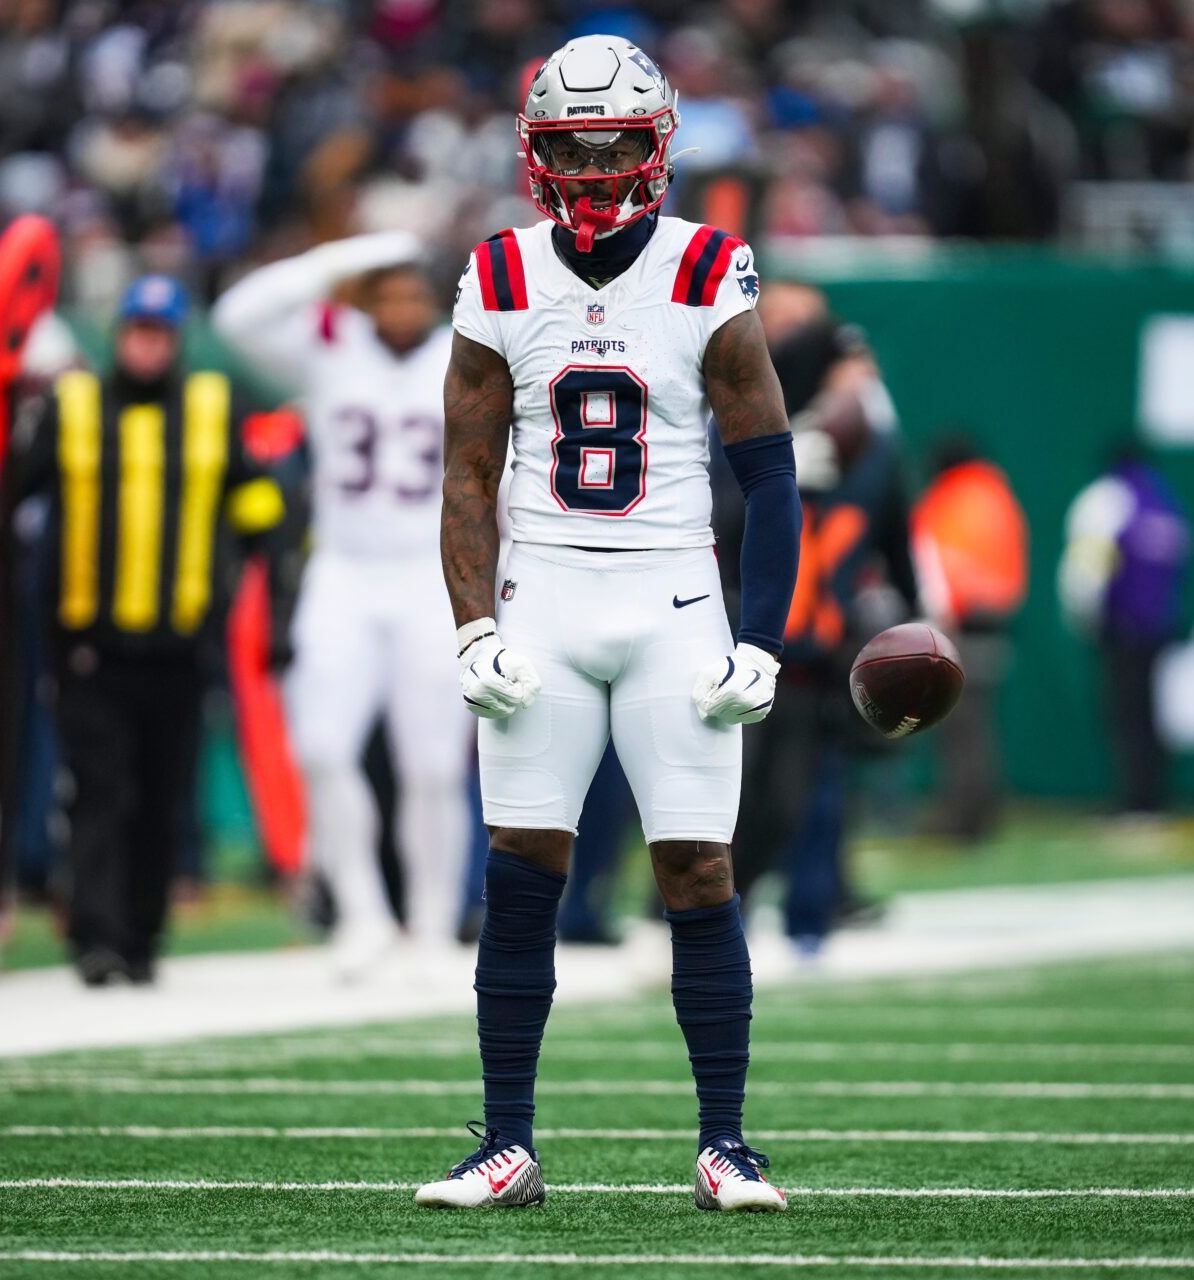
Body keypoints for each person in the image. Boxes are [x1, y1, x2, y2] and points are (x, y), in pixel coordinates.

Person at [416, 35, 798, 1213]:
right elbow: (469, 474)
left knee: (695, 864)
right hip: (545, 594)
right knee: (521, 864)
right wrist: (473, 626)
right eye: (569, 146)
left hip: (673, 595)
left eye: (615, 142)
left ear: (658, 146)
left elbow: (774, 474)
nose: (591, 166)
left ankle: (726, 1143)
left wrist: (760, 636)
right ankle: (508, 1143)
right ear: (534, 153)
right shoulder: (500, 274)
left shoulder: (707, 270)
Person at [2, 274, 284, 987]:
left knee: (162, 798)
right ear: (119, 336)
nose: (148, 347)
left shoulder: (213, 410)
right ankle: (96, 937)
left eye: (160, 334)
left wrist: (261, 589)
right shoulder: (72, 408)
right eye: (138, 332)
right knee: (99, 792)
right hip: (91, 644)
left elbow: (258, 511)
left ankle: (143, 937)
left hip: (183, 645)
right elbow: (8, 499)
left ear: (177, 340)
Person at [212, 232, 468, 970]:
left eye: (411, 293)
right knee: (321, 747)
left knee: (434, 768)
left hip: (432, 574)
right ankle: (362, 912)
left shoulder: (467, 354)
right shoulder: (333, 346)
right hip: (344, 571)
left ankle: (430, 923)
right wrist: (337, 258)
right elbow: (237, 318)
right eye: (383, 293)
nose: (398, 309)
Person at [721, 287, 916, 954]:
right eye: (844, 371)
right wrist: (774, 475)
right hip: (738, 647)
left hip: (817, 657)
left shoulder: (878, 452)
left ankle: (805, 914)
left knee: (793, 803)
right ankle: (695, 915)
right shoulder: (744, 424)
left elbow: (898, 551)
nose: (859, 385)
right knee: (727, 801)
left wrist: (911, 629)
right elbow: (705, 524)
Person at [1059, 440, 1191, 818]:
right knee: (1152, 713)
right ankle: (1154, 800)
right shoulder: (1164, 501)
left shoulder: (1107, 500)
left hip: (1121, 626)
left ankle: (1135, 803)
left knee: (1126, 715)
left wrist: (1085, 615)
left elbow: (1086, 567)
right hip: (1159, 625)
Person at [911, 438, 1028, 842]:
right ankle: (983, 814)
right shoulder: (997, 496)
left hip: (958, 626)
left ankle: (963, 822)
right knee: (979, 729)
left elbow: (937, 568)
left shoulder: (949, 501)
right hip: (996, 624)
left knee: (960, 732)